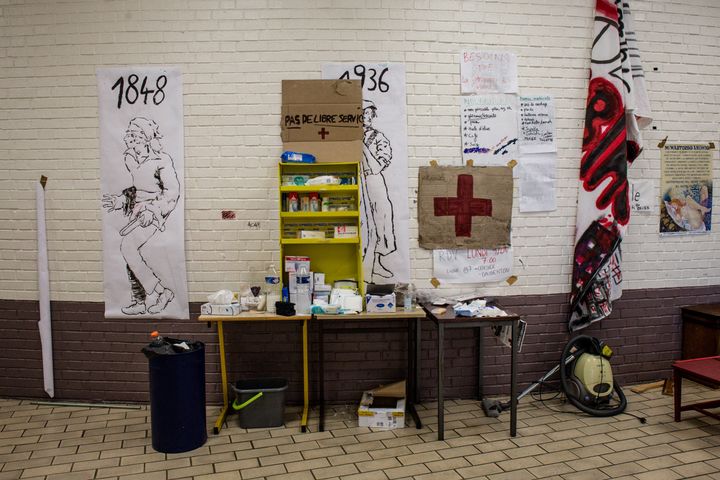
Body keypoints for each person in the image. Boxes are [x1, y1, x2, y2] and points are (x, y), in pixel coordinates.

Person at [102, 117, 180, 315]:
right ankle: (143, 299)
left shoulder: (162, 160)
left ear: (146, 138)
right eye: (129, 135)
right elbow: (136, 189)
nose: (131, 138)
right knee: (130, 257)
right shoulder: (130, 158)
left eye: (136, 135)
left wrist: (154, 210)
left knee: (127, 247)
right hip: (137, 212)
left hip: (153, 213)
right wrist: (120, 201)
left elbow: (171, 192)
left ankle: (160, 292)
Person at [361, 100, 397, 280]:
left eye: (368, 114)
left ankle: (376, 264)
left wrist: (362, 147)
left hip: (374, 181)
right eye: (362, 113)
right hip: (357, 182)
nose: (365, 117)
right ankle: (365, 266)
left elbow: (376, 166)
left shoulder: (379, 138)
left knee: (380, 220)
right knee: (363, 222)